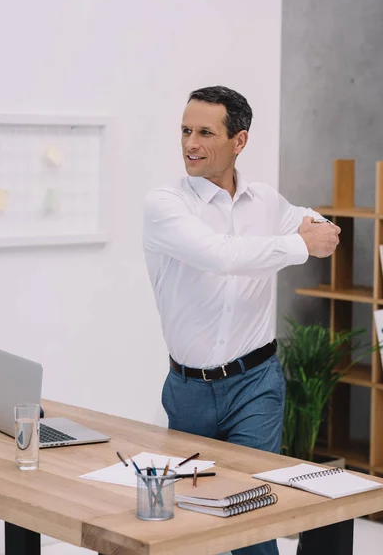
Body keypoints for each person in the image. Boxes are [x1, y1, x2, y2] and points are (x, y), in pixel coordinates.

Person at [142, 85, 340, 555]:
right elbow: (220, 255)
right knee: (189, 519)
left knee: (250, 511)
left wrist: (321, 227)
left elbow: (310, 220)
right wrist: (299, 245)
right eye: (186, 131)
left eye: (205, 132)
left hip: (257, 383)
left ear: (240, 140)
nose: (190, 143)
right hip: (188, 390)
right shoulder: (165, 204)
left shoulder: (266, 202)